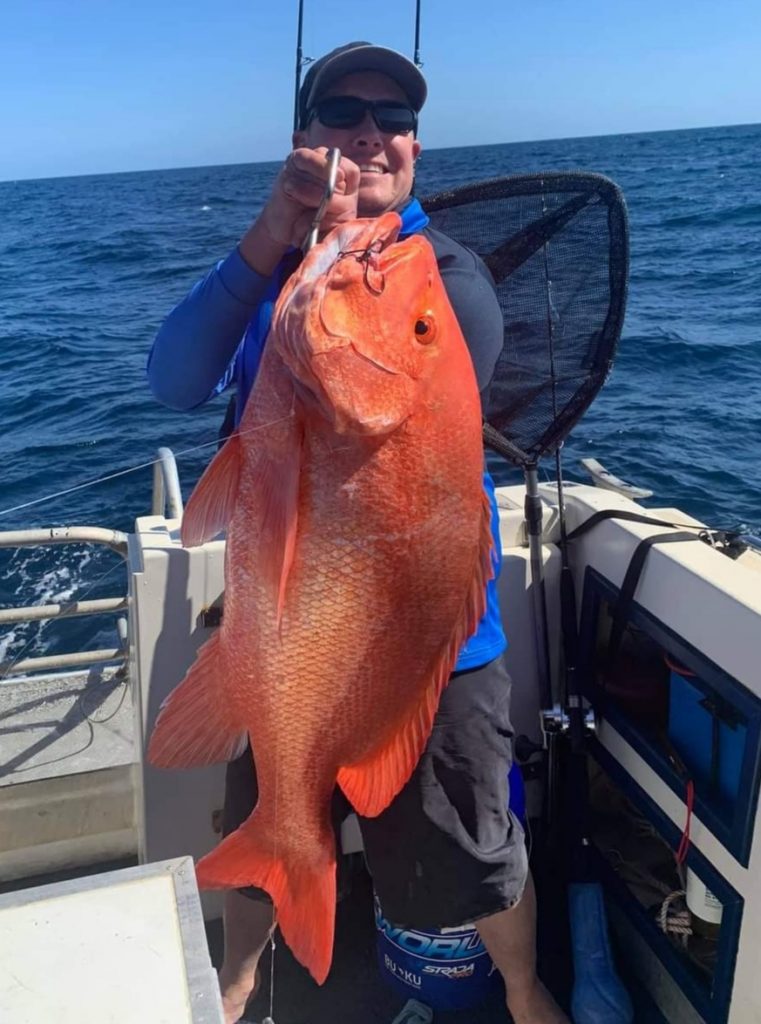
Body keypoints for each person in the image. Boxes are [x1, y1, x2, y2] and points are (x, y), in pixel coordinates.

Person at [148, 41, 567, 1024]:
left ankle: (518, 985)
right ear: (304, 140)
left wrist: (340, 252)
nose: (371, 132)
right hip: (290, 630)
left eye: (394, 116)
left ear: (417, 148)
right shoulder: (287, 274)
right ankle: (246, 973)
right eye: (342, 109)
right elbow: (172, 377)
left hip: (431, 644)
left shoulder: (434, 272)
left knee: (469, 852)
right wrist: (276, 237)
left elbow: (437, 338)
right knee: (271, 811)